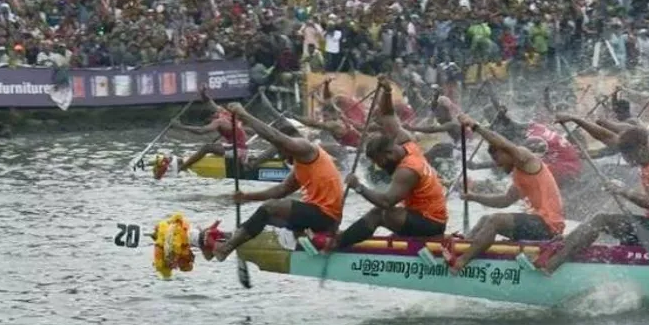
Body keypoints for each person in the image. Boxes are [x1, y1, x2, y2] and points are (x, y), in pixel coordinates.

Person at [523, 126, 649, 275]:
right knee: (603, 220)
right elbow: (608, 136)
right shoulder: (644, 149)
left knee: (601, 220)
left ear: (641, 149)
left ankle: (550, 266)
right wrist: (576, 120)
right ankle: (562, 249)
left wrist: (622, 191)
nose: (627, 161)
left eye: (628, 156)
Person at [201, 102, 344, 262]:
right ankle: (229, 239)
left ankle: (226, 248)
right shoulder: (301, 163)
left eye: (280, 150)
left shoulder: (306, 148)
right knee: (265, 216)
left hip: (326, 216)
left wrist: (244, 115)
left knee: (271, 207)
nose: (280, 156)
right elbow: (281, 190)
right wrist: (246, 196)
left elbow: (275, 136)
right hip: (317, 216)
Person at [323, 77, 448, 251]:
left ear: (388, 153)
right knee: (385, 214)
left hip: (431, 223)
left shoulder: (407, 170)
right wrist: (387, 92)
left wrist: (358, 186)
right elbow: (388, 115)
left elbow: (386, 202)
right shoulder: (408, 144)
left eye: (378, 161)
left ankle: (336, 244)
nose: (380, 166)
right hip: (423, 216)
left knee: (380, 214)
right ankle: (347, 237)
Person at [433, 112, 564, 274]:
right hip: (538, 224)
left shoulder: (527, 159)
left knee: (495, 221)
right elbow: (505, 201)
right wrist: (473, 197)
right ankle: (464, 248)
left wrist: (475, 126)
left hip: (549, 227)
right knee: (485, 219)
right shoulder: (519, 173)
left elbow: (502, 142)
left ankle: (461, 263)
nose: (498, 166)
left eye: (498, 160)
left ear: (506, 152)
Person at [155, 86, 249, 179]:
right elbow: (208, 101)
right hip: (239, 148)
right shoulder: (223, 112)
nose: (211, 122)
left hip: (238, 152)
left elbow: (201, 131)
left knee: (207, 147)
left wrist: (180, 127)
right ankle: (186, 160)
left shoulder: (219, 121)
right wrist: (202, 93)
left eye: (209, 120)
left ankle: (181, 168)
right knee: (215, 145)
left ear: (211, 117)